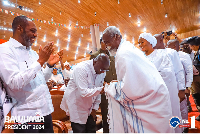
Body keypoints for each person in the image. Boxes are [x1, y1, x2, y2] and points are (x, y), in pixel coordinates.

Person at [102, 26, 174, 133]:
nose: (107, 47)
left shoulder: (123, 54)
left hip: (152, 99)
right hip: (156, 93)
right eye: (105, 43)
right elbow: (135, 79)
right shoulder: (127, 48)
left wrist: (110, 87)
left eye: (108, 42)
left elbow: (129, 90)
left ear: (116, 37)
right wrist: (118, 83)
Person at [0, 16, 63, 133]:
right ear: (19, 29)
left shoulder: (32, 53)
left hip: (45, 112)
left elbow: (40, 79)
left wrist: (48, 65)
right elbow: (14, 83)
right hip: (26, 117)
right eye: (32, 31)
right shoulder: (5, 50)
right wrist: (40, 62)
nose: (36, 35)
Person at [138, 33, 182, 133]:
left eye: (142, 42)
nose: (140, 45)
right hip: (148, 95)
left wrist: (147, 78)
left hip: (164, 92)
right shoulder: (141, 58)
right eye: (139, 43)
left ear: (150, 42)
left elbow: (167, 73)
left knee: (169, 118)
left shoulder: (161, 54)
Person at [60, 53, 110, 133]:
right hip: (77, 106)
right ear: (95, 62)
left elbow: (98, 92)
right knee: (80, 130)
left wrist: (94, 108)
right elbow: (84, 92)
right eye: (102, 69)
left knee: (91, 130)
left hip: (89, 107)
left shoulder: (102, 71)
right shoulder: (81, 68)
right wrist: (102, 89)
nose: (103, 72)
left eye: (105, 70)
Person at [90, 38, 117, 133]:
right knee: (106, 118)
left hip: (115, 91)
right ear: (101, 42)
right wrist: (104, 84)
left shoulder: (113, 56)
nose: (106, 44)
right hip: (104, 92)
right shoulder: (95, 56)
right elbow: (93, 76)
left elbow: (115, 73)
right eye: (104, 42)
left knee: (116, 117)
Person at [167, 39, 193, 132]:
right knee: (174, 109)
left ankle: (185, 128)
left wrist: (187, 87)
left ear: (175, 46)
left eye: (168, 46)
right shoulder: (167, 55)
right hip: (171, 86)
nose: (166, 47)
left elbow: (189, 72)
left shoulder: (184, 56)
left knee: (183, 108)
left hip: (181, 87)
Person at [154, 34, 186, 104]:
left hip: (175, 87)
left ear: (160, 40)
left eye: (154, 41)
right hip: (161, 90)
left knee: (179, 110)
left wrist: (181, 89)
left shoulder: (171, 52)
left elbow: (179, 70)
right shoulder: (154, 55)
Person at [185, 36, 200, 121]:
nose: (190, 48)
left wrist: (194, 68)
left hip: (197, 78)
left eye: (190, 46)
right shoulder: (197, 52)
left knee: (197, 95)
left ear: (194, 45)